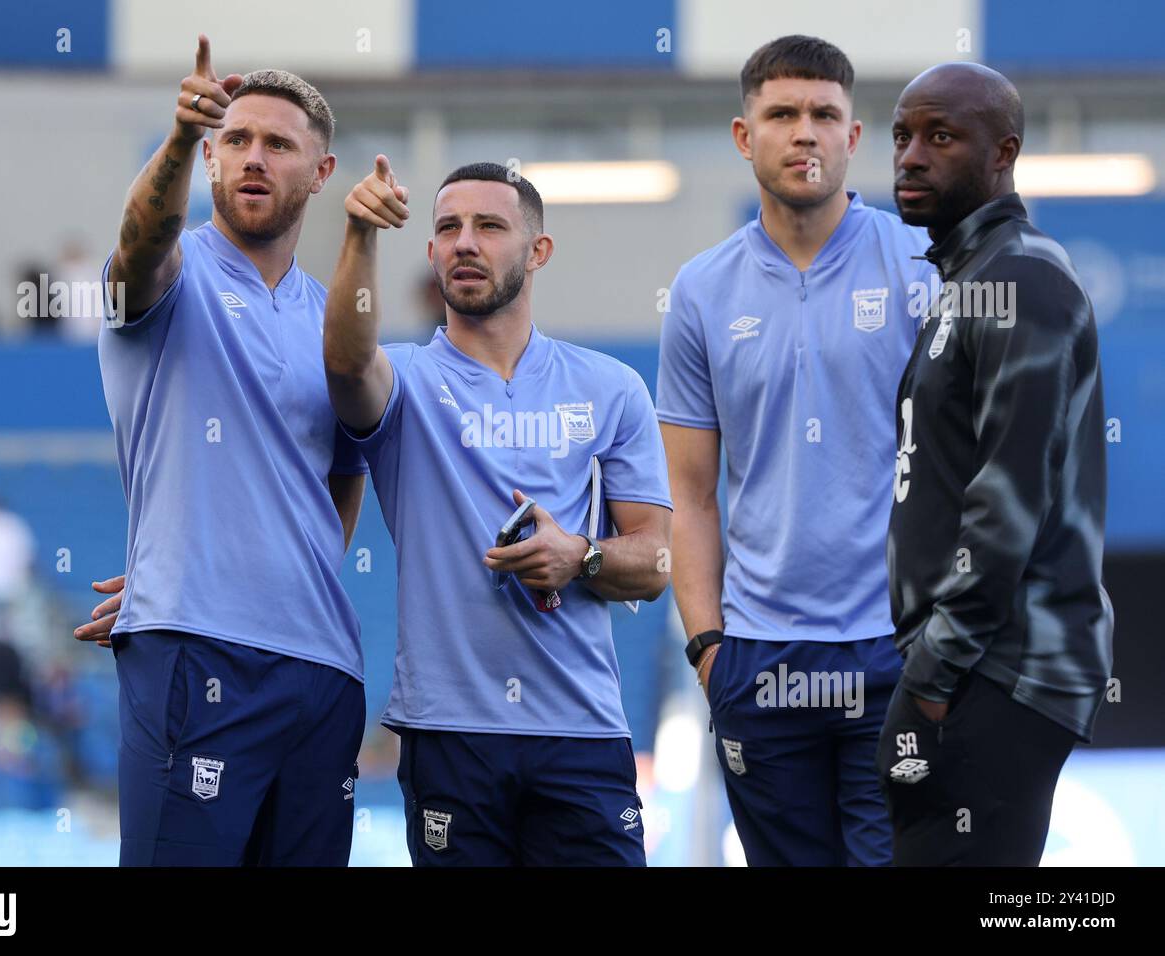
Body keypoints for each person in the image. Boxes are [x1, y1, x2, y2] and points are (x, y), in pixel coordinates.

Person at [324, 158, 672, 866]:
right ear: (429, 253)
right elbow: (345, 367)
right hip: (450, 734)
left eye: (489, 226)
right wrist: (359, 233)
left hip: (581, 730)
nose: (464, 243)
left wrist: (581, 556)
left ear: (537, 251)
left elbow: (658, 560)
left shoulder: (611, 389)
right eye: (447, 228)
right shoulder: (405, 383)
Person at [79, 35, 369, 866]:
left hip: (323, 672)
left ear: (321, 172)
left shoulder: (333, 325)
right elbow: (141, 236)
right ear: (207, 158)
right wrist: (173, 139)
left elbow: (340, 477)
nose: (253, 157)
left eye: (279, 144)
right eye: (234, 140)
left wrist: (267, 564)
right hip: (194, 652)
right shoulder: (170, 278)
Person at [656, 35, 935, 866]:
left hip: (897, 652)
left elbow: (971, 471)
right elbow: (690, 496)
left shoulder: (923, 267)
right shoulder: (703, 291)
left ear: (854, 140)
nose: (803, 133)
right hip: (760, 661)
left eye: (824, 115)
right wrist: (709, 651)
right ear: (747, 136)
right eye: (781, 114)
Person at [880, 62, 1113, 866]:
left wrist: (935, 677)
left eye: (940, 137)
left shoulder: (1021, 276)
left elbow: (1010, 497)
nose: (910, 156)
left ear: (1003, 152)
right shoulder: (970, 280)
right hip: (968, 663)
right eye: (903, 135)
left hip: (997, 666)